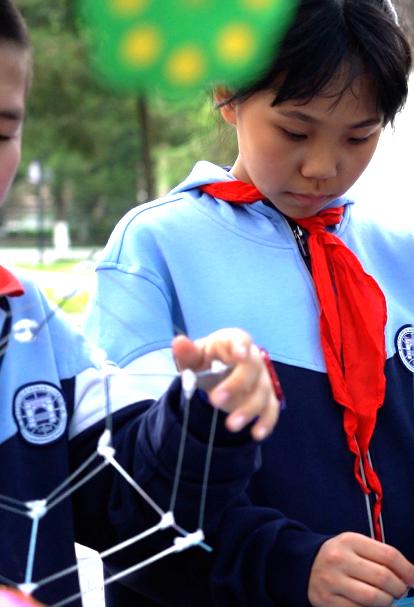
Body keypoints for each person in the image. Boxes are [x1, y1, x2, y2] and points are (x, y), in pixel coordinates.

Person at [85, 0, 414, 605]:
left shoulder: (397, 252)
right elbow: (118, 492)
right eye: (295, 131)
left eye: (360, 135)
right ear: (228, 93)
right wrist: (285, 564)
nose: (323, 167)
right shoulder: (157, 248)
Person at [0, 2, 281, 605]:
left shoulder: (32, 327)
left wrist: (205, 412)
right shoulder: (153, 237)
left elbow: (134, 504)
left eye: (1, 132)